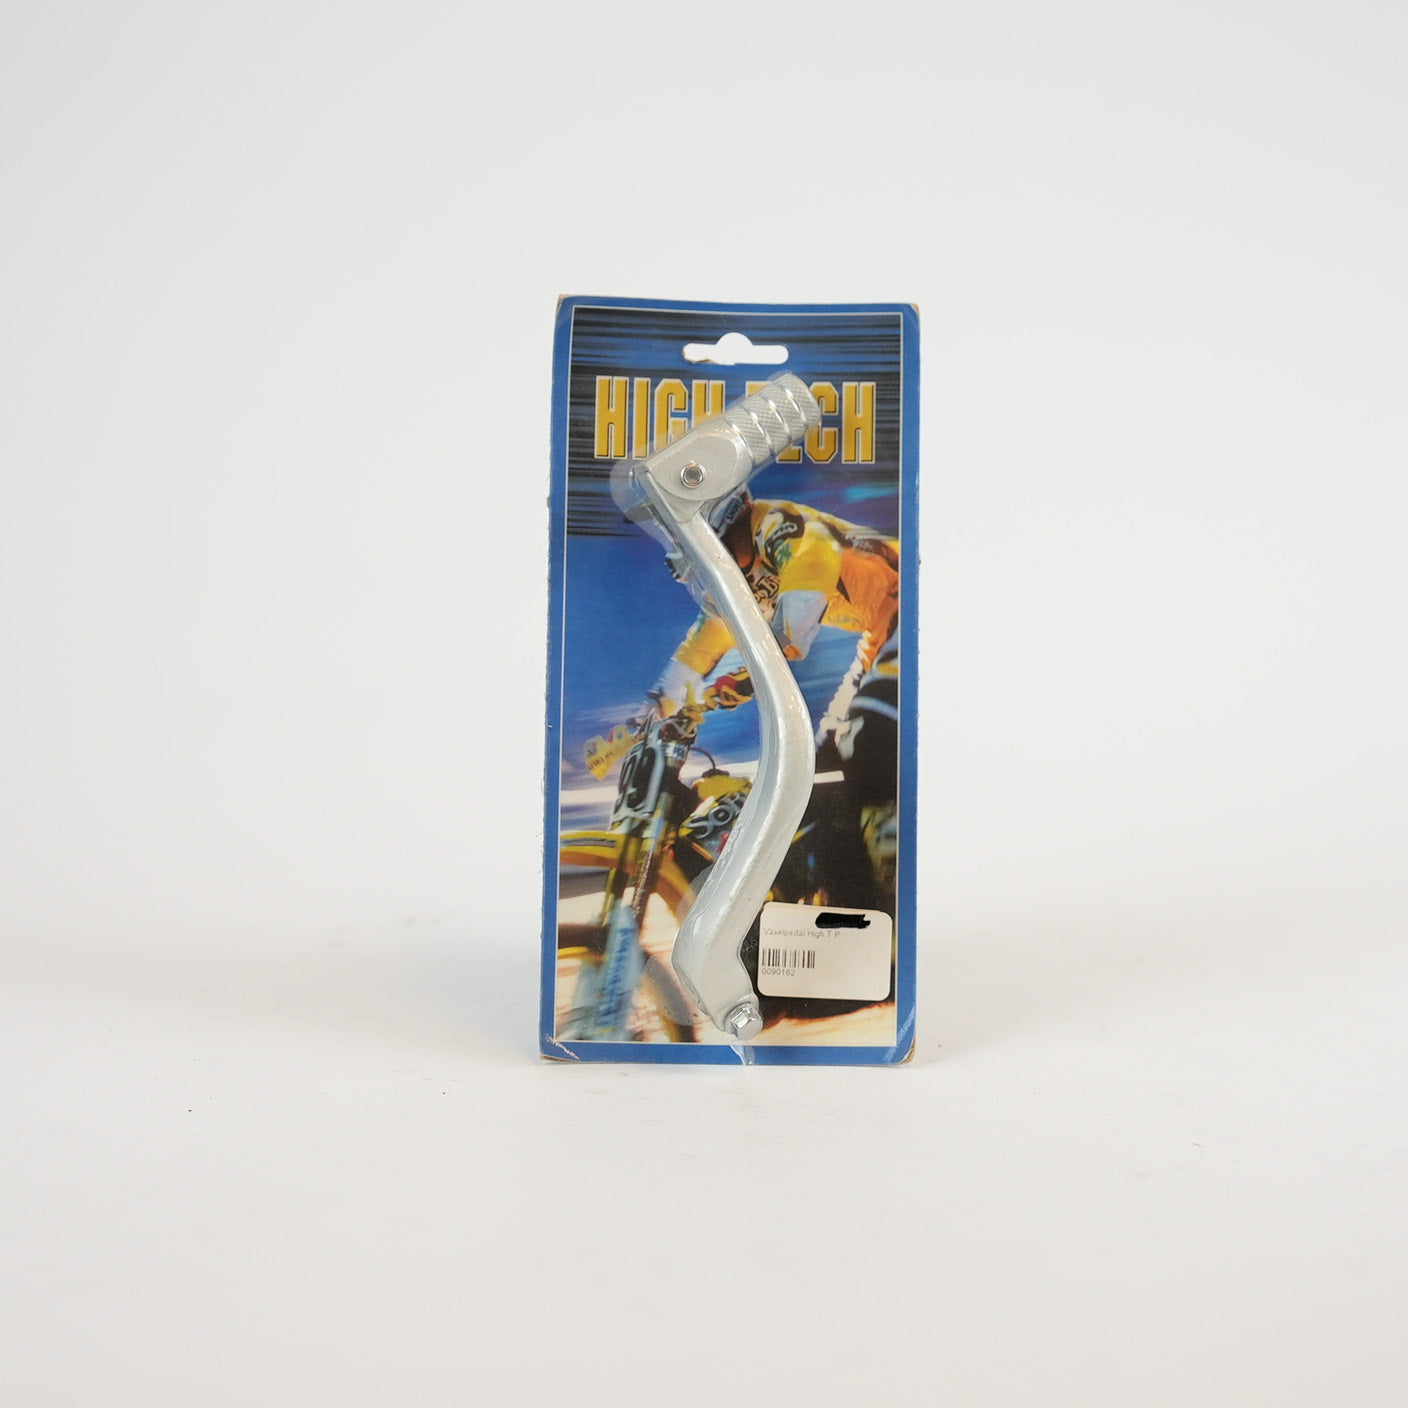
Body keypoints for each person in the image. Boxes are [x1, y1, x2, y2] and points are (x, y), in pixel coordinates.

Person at [645, 488, 900, 905]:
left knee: (863, 747)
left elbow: (790, 636)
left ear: (724, 527)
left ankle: (884, 875)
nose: (710, 571)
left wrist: (734, 684)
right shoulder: (738, 570)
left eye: (707, 554)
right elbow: (700, 649)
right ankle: (847, 881)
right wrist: (653, 711)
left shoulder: (788, 531)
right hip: (878, 637)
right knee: (820, 767)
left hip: (914, 612)